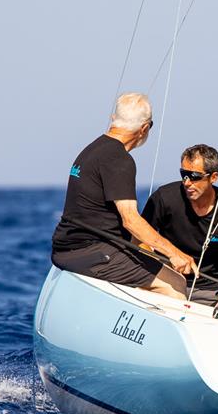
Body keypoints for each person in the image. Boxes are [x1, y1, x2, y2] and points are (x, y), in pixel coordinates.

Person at [51, 93, 196, 299]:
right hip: (91, 253)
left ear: (113, 119)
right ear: (144, 128)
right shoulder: (119, 159)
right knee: (175, 284)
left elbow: (106, 216)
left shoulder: (93, 149)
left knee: (158, 266)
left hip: (65, 248)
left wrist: (149, 252)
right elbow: (130, 220)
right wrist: (175, 254)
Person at [141, 144, 218, 303]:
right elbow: (140, 240)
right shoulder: (164, 198)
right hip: (165, 281)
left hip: (209, 291)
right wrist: (159, 269)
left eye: (194, 176)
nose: (187, 182)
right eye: (183, 174)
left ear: (213, 177)